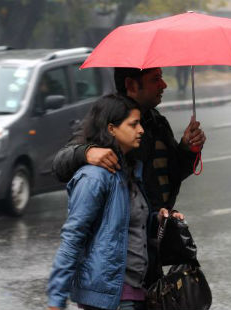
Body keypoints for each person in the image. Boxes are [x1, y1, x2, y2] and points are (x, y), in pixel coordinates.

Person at [47, 94, 185, 310]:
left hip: (136, 290)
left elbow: (128, 226)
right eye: (133, 124)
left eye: (140, 123)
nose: (141, 130)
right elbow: (73, 237)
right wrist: (56, 300)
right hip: (112, 296)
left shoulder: (129, 171)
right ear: (111, 129)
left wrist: (160, 219)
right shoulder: (94, 177)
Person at [53, 67, 205, 213]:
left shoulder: (157, 122)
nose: (164, 85)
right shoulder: (105, 120)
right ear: (131, 85)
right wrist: (86, 152)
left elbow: (172, 174)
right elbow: (60, 163)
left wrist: (188, 148)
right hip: (127, 234)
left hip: (158, 227)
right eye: (155, 79)